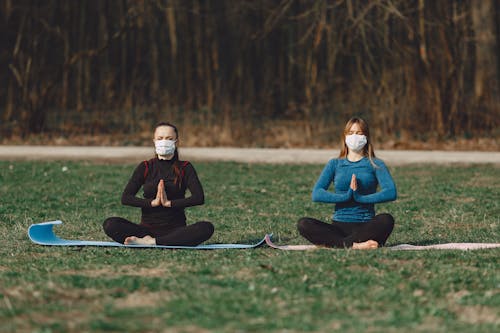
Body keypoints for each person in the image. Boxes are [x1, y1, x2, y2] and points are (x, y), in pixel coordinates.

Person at [103, 122, 214, 246]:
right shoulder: (145, 166)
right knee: (110, 224)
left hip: (176, 230)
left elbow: (199, 198)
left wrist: (169, 203)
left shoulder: (185, 167)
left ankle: (151, 242)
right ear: (154, 141)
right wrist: (153, 203)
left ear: (176, 142)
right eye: (160, 138)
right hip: (145, 231)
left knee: (206, 228)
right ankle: (152, 240)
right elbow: (126, 198)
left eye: (169, 139)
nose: (164, 142)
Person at [297, 117, 397, 249]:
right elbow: (317, 194)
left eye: (359, 133)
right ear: (344, 137)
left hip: (366, 226)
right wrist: (346, 196)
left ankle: (339, 244)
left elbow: (391, 192)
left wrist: (360, 197)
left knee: (386, 219)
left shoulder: (376, 164)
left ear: (366, 137)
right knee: (304, 223)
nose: (355, 137)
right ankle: (355, 245)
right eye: (351, 133)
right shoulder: (335, 164)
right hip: (339, 226)